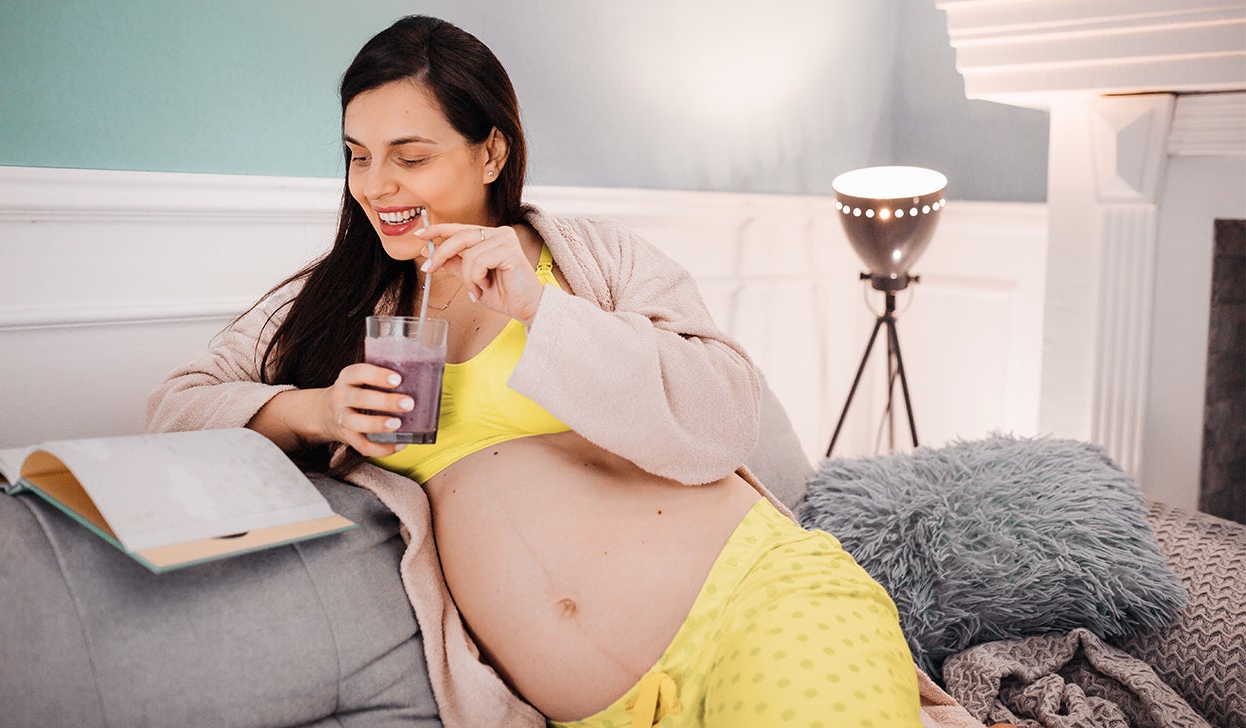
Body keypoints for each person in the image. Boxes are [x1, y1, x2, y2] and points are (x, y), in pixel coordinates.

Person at [148, 15, 926, 728]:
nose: (375, 185)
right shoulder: (335, 305)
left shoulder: (592, 261)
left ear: (491, 150)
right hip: (604, 713)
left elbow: (724, 417)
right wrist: (314, 411)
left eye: (409, 156)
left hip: (762, 611)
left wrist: (542, 312)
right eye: (357, 156)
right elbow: (175, 408)